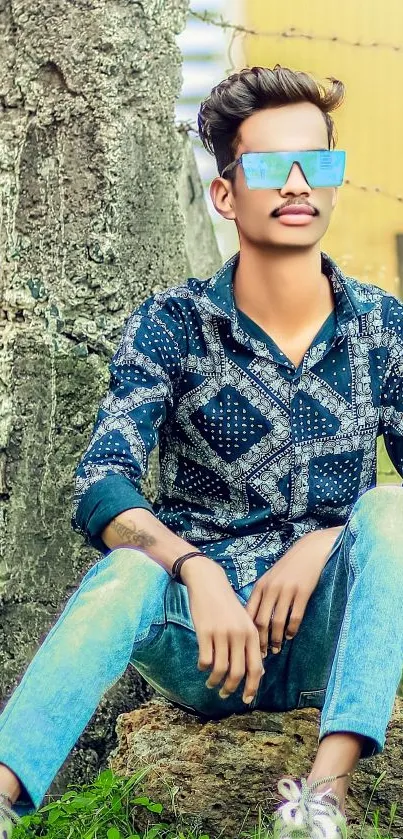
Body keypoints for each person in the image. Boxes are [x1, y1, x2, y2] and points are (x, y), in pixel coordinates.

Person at [0, 65, 403, 839]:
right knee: (125, 568)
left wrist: (327, 540)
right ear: (224, 192)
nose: (296, 184)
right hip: (201, 644)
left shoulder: (382, 329)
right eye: (267, 166)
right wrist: (195, 568)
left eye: (316, 164)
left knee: (389, 505)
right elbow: (102, 483)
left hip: (325, 633)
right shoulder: (172, 323)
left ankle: (321, 798)